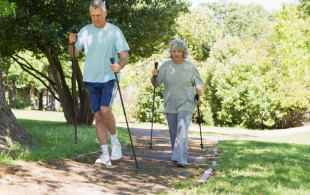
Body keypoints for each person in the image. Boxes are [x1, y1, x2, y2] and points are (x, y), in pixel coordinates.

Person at [68, 0, 130, 166]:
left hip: (109, 77)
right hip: (91, 78)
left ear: (105, 13)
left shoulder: (114, 31)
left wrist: (119, 65)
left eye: (98, 15)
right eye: (92, 15)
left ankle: (115, 142)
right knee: (97, 115)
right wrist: (71, 41)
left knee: (105, 110)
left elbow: (124, 55)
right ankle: (104, 154)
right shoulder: (85, 31)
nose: (95, 18)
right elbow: (73, 54)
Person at [151, 39, 205, 167]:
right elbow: (156, 84)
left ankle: (181, 160)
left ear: (183, 52)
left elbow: (199, 85)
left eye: (179, 51)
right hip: (170, 102)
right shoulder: (166, 66)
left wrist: (198, 95)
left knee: (182, 130)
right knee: (174, 132)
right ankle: (176, 157)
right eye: (174, 51)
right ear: (171, 52)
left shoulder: (190, 67)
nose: (176, 54)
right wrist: (154, 76)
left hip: (187, 101)